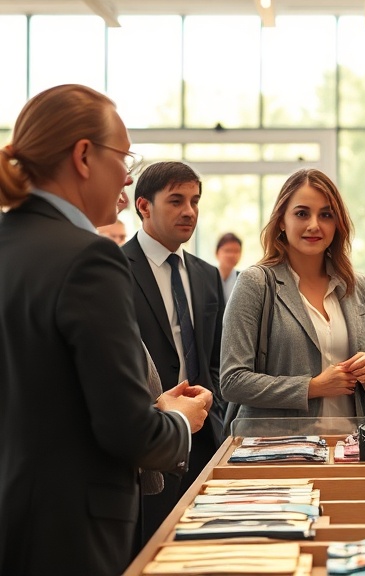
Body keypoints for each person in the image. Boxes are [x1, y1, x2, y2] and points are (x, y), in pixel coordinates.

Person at [0, 83, 207, 575]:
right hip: (72, 533)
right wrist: (179, 420)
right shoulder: (90, 257)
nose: (127, 176)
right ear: (84, 156)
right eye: (125, 158)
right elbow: (128, 432)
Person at [220, 168, 365, 420]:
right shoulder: (255, 283)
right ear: (281, 220)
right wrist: (312, 387)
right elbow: (232, 381)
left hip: (348, 447)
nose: (314, 225)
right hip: (278, 450)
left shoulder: (357, 286)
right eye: (302, 213)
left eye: (326, 215)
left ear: (337, 223)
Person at [122, 161, 227, 543]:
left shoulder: (205, 274)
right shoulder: (115, 267)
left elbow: (214, 358)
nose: (189, 211)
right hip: (150, 436)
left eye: (195, 201)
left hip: (206, 437)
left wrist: (214, 414)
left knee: (205, 545)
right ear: (143, 206)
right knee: (153, 545)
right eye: (177, 200)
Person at [215, 232, 243, 299]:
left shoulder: (242, 279)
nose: (232, 255)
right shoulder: (207, 278)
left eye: (236, 251)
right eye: (227, 251)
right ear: (216, 253)